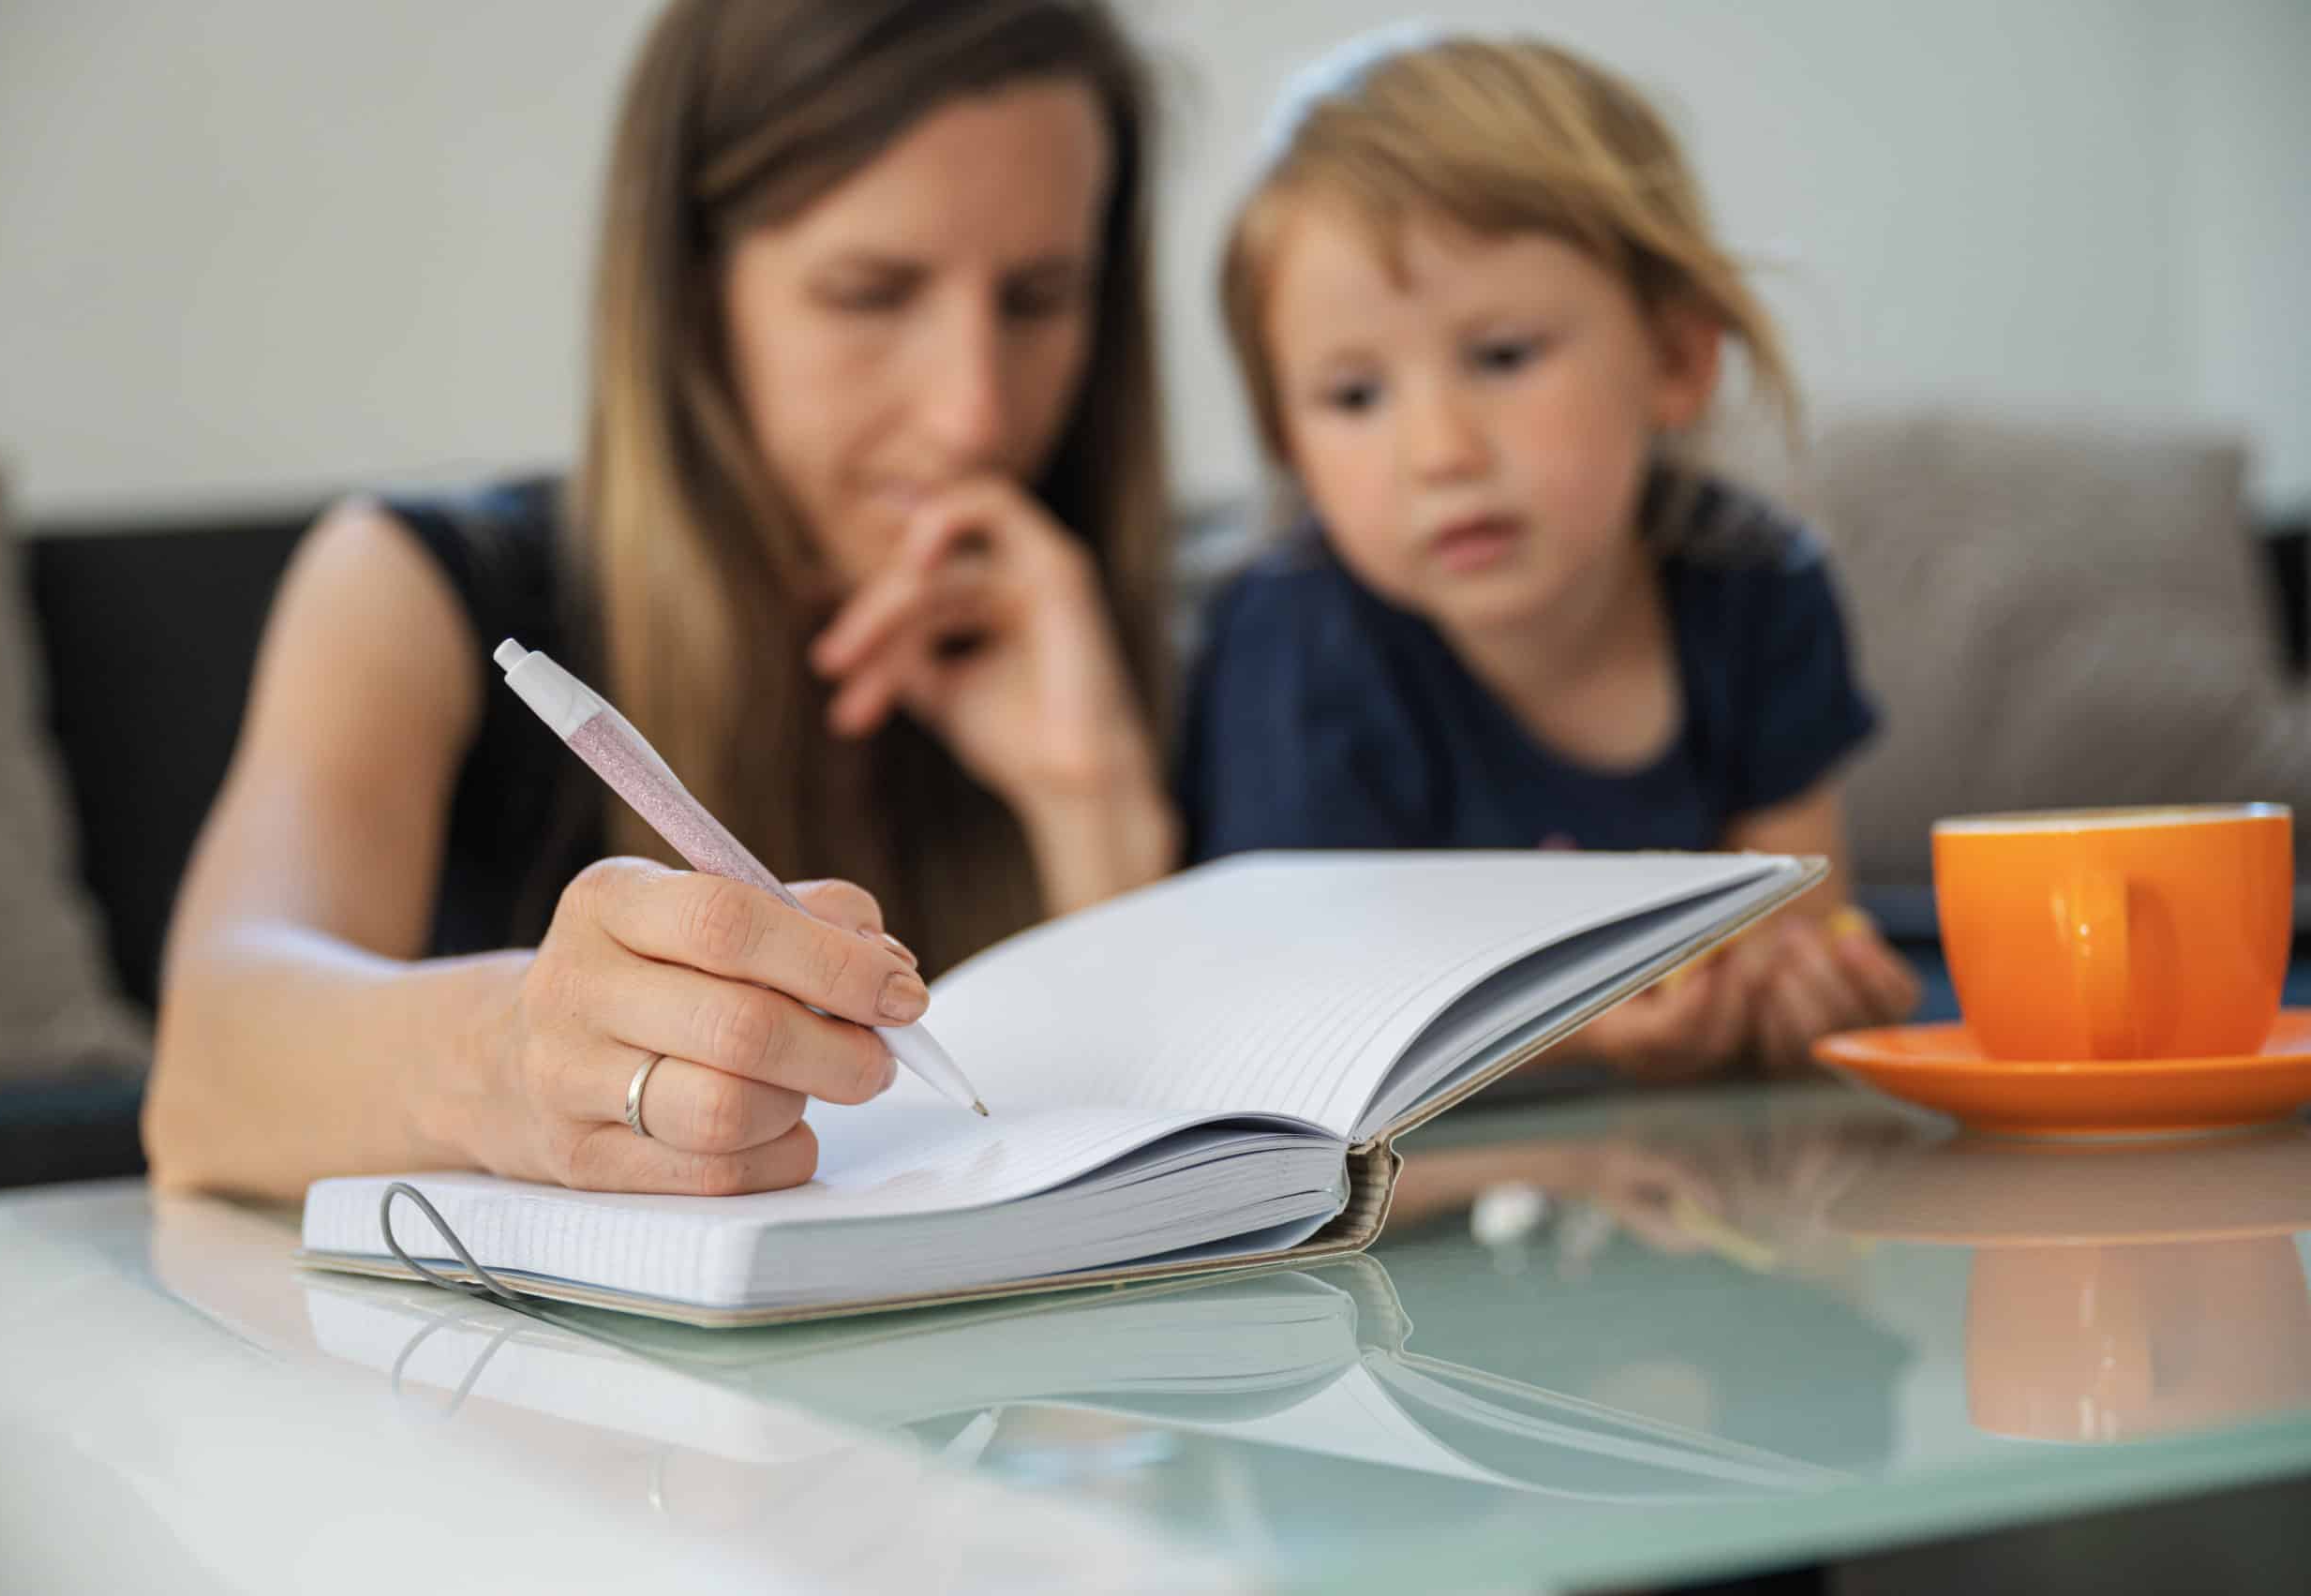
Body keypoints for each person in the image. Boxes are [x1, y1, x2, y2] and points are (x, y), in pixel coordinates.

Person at [145, 0, 1179, 1201]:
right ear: (691, 293)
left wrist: (1092, 803)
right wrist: (511, 1052)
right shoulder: (419, 586)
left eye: (1039, 300)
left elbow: (1179, 1172)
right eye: (869, 294)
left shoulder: (1149, 624)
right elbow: (203, 1083)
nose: (973, 415)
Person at [1182, 32, 1918, 1081]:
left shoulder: (1760, 585)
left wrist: (1803, 987)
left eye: (1501, 356)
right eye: (1354, 396)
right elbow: (1299, 1017)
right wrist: (1576, 1039)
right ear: (1286, 445)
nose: (1441, 453)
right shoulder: (1296, 640)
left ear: (1672, 359)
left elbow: (1798, 915)